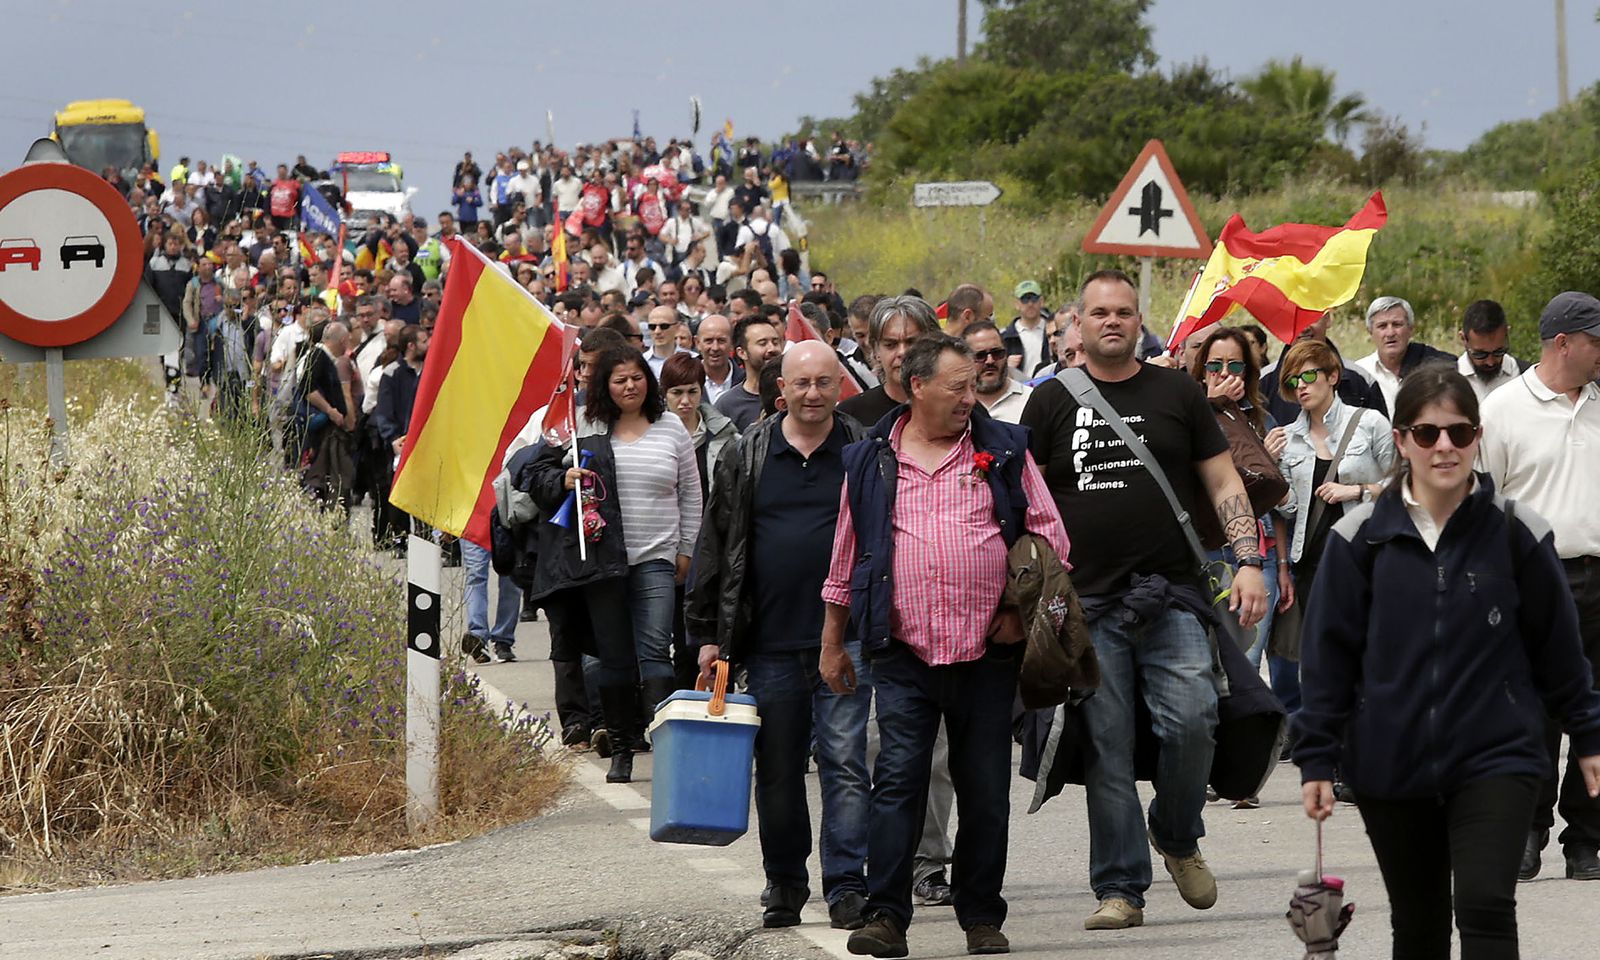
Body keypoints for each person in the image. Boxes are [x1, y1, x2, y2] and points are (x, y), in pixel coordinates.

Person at [1296, 365, 1600, 960]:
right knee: (1419, 923)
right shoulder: (1360, 540)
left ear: (1477, 437)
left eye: (1459, 434)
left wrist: (1588, 735)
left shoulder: (1517, 533)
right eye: (1428, 434)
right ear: (1403, 439)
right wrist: (1316, 756)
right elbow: (1328, 658)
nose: (1444, 447)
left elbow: (1560, 650)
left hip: (1498, 756)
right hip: (1390, 762)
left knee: (1486, 903)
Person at [1019, 270, 1268, 931]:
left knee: (1193, 720)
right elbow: (1027, 503)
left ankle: (1176, 831)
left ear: (1139, 320)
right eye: (1098, 312)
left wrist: (1249, 561)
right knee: (1108, 745)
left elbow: (1221, 481)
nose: (1111, 321)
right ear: (1078, 323)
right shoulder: (1050, 403)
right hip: (1089, 606)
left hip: (1174, 595)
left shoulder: (1177, 391)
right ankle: (1120, 888)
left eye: (1123, 312)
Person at [822, 334, 1067, 959]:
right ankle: (886, 916)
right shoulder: (869, 459)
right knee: (898, 781)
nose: (969, 396)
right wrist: (832, 644)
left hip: (987, 654)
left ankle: (981, 914)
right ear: (915, 386)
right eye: (956, 386)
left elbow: (1052, 540)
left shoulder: (1003, 450)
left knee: (984, 787)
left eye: (973, 386)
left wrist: (1017, 611)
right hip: (902, 650)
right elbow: (846, 557)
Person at [688, 342, 872, 932]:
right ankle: (786, 883)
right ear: (781, 390)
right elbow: (718, 543)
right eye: (802, 384)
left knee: (846, 762)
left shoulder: (866, 452)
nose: (814, 393)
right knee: (779, 769)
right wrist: (710, 635)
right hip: (767, 641)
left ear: (839, 385)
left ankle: (847, 886)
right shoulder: (746, 453)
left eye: (824, 382)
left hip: (848, 639)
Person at [1479, 291, 1600, 882]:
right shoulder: (1504, 410)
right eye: (1596, 341)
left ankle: (1586, 840)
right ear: (1564, 344)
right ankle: (1527, 831)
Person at [1268, 338, 1397, 757]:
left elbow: (1404, 484)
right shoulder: (1287, 438)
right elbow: (1284, 511)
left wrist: (1357, 489)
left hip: (1367, 557)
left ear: (1332, 377)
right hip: (1311, 562)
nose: (1301, 386)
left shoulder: (1372, 424)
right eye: (1293, 380)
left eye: (1309, 376)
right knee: (1325, 660)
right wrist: (1271, 469)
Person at [1188, 326, 1292, 807]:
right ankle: (1213, 763)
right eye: (1215, 365)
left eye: (1235, 367)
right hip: (1209, 550)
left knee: (1246, 658)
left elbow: (1273, 494)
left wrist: (1282, 565)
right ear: (1200, 368)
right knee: (1213, 663)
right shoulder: (1187, 411)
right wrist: (1208, 405)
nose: (1224, 375)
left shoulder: (1258, 418)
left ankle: (1240, 772)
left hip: (1257, 550)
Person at [1262, 314, 1387, 427]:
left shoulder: (1359, 379)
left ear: (1328, 319)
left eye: (1311, 316)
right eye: (1295, 318)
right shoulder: (1263, 382)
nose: (1304, 328)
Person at [837, 296, 941, 427]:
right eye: (891, 344)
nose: (902, 352)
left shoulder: (957, 407)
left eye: (911, 342)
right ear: (875, 350)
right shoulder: (850, 416)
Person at [1351, 296, 1453, 412]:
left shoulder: (1435, 366)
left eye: (1397, 324)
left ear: (1411, 329)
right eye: (1382, 326)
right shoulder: (1360, 373)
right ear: (1370, 332)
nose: (1390, 333)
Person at [714, 316, 783, 432]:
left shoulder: (793, 394)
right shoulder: (727, 405)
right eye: (762, 343)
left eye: (775, 342)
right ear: (742, 353)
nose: (772, 349)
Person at [1458, 299, 1528, 401]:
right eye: (1480, 354)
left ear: (1507, 334)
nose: (1490, 362)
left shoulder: (1527, 378)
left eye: (1498, 352)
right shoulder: (1445, 382)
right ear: (1463, 339)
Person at [963, 321, 1031, 423]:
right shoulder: (957, 406)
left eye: (997, 353)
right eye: (980, 356)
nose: (990, 361)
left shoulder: (1031, 399)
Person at [1002, 280, 1050, 376]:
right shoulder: (1005, 337)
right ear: (1016, 304)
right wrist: (1007, 367)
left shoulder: (1053, 331)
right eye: (1025, 299)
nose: (1030, 304)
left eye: (1034, 299)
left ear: (1041, 301)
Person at [694, 314, 740, 405]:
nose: (715, 348)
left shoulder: (745, 381)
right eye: (709, 341)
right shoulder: (685, 380)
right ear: (697, 343)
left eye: (721, 340)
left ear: (732, 343)